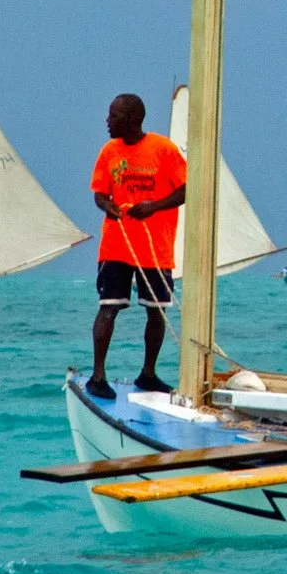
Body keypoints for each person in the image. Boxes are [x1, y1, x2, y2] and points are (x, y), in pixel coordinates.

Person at [87, 92, 187, 399]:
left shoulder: (163, 150)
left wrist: (154, 206)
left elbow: (186, 190)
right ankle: (98, 375)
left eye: (114, 116)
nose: (107, 121)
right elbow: (99, 193)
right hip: (117, 247)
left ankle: (148, 374)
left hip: (154, 249)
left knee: (156, 312)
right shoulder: (109, 151)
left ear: (132, 120)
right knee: (109, 309)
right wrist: (109, 207)